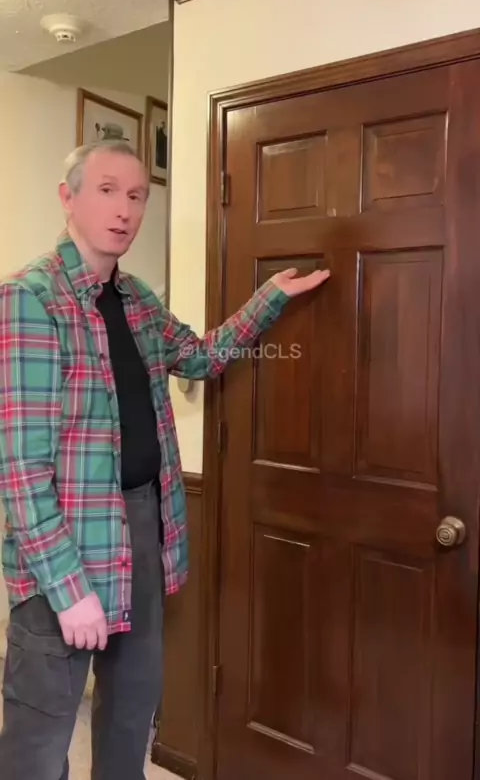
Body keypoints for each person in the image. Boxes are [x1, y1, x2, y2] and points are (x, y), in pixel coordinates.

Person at [0, 139, 330, 780]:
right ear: (68, 198)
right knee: (37, 745)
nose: (124, 209)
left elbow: (201, 356)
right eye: (107, 190)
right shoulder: (30, 298)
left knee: (131, 716)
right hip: (64, 547)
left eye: (136, 195)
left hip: (143, 529)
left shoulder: (137, 300)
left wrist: (269, 297)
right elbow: (21, 470)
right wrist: (68, 590)